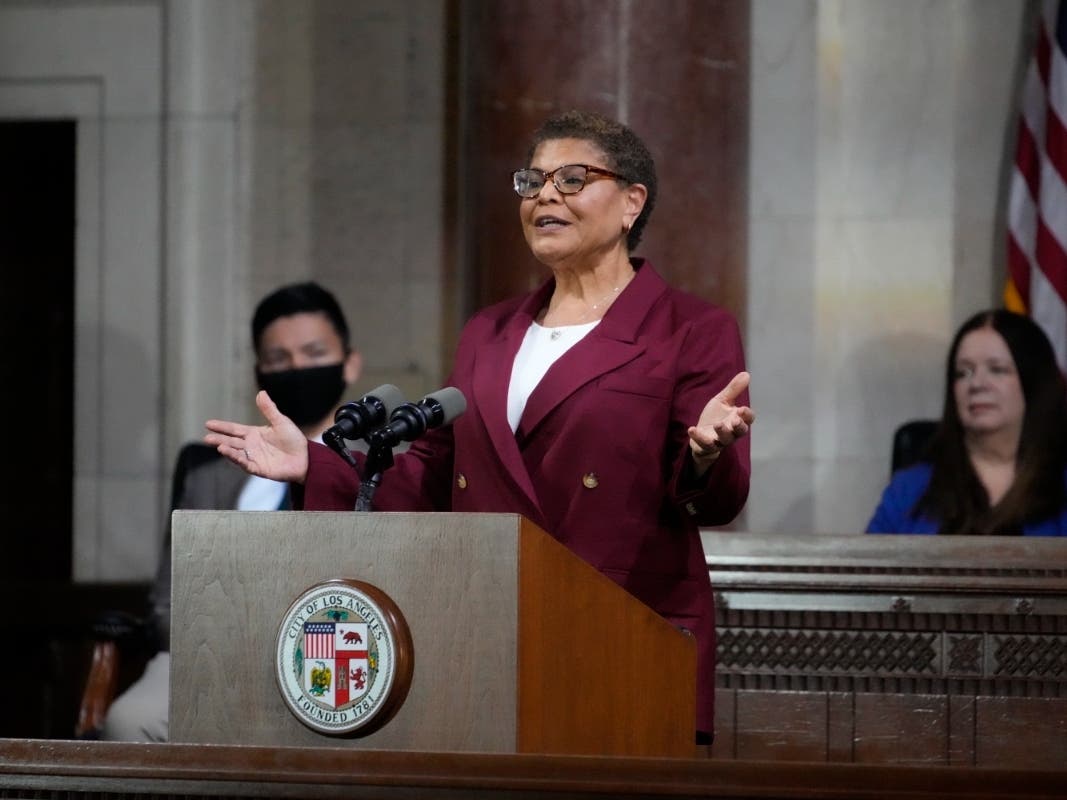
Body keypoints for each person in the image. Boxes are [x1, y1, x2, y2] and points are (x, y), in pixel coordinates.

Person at [205, 110, 755, 745]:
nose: (546, 195)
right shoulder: (488, 333)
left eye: (573, 178)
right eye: (532, 181)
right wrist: (314, 464)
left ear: (633, 202)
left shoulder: (689, 328)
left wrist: (706, 456)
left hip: (624, 632)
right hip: (492, 628)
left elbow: (716, 499)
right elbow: (431, 474)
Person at [102, 281, 362, 741]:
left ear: (350, 362)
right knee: (132, 720)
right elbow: (165, 601)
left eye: (313, 352)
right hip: (211, 650)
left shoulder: (382, 466)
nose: (297, 367)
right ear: (260, 372)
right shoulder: (211, 468)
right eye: (279, 358)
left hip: (330, 650)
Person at [866, 308, 1067, 535]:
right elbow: (870, 567)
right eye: (964, 373)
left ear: (1034, 383)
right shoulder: (909, 489)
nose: (977, 384)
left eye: (997, 370)